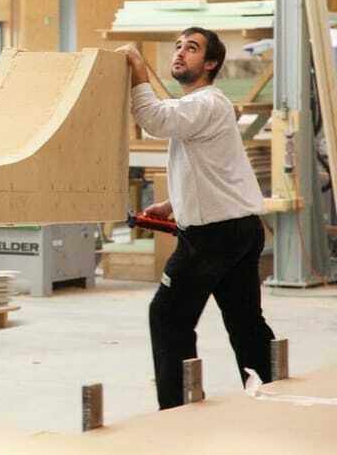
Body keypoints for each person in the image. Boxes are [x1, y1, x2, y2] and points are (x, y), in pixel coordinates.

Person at [116, 27, 275, 410]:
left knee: (167, 315)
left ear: (210, 63)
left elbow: (154, 120)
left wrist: (138, 66)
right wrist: (173, 203)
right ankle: (272, 392)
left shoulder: (206, 102)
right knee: (244, 320)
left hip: (212, 237)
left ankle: (178, 410)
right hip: (239, 229)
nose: (180, 53)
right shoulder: (201, 106)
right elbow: (213, 169)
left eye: (192, 48)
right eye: (178, 47)